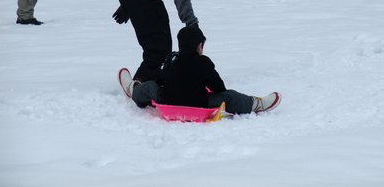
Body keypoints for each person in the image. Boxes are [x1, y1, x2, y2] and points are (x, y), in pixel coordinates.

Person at [118, 26, 282, 115]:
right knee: (229, 96)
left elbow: (159, 81)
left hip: (167, 101)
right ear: (200, 46)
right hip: (198, 104)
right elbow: (219, 88)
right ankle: (256, 104)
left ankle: (134, 90)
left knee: (150, 87)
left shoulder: (170, 59)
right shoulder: (204, 62)